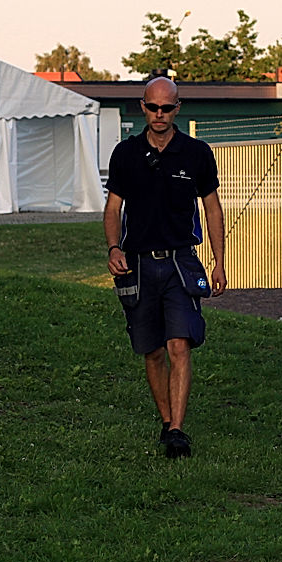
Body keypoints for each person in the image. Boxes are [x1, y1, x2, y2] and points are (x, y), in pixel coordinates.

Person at [104, 76, 227, 459]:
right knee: (152, 351)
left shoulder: (197, 153)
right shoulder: (125, 154)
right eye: (153, 107)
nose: (160, 114)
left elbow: (211, 207)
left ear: (178, 108)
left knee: (179, 344)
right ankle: (165, 420)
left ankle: (177, 429)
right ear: (142, 106)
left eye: (167, 108)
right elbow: (113, 208)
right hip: (138, 265)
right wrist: (113, 248)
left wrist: (219, 262)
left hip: (181, 262)